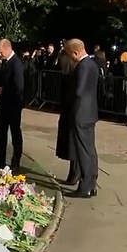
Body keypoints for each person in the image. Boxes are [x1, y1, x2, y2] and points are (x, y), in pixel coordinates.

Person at [63, 39, 99, 198]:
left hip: (81, 113)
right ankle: (91, 184)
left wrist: (69, 97)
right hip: (90, 111)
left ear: (75, 52)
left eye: (70, 55)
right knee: (90, 149)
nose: (70, 58)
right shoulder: (92, 64)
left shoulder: (83, 66)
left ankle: (85, 186)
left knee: (83, 151)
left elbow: (79, 91)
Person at [0, 38, 24, 172]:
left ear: (7, 48)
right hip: (4, 104)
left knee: (15, 133)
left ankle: (16, 161)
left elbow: (18, 86)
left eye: (0, 52)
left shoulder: (16, 63)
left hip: (13, 105)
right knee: (1, 132)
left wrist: (3, 90)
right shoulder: (6, 63)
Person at [55, 54, 79, 184]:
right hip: (67, 109)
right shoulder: (70, 73)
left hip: (71, 110)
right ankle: (73, 173)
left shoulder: (72, 74)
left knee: (73, 143)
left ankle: (75, 173)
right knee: (71, 143)